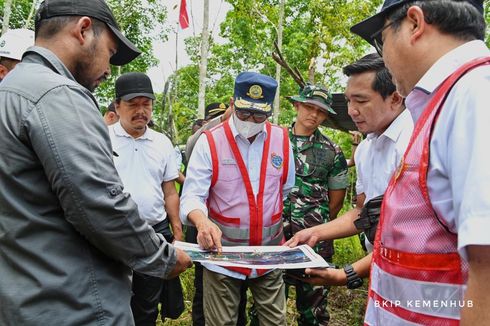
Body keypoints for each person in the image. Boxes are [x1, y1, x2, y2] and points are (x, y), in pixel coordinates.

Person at [0, 1, 191, 324]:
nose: (108, 68)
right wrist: (163, 258)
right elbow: (99, 203)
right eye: (110, 51)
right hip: (78, 305)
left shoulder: (10, 91)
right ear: (84, 29)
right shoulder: (58, 95)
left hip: (25, 299)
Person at [349, 0, 489, 324]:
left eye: (380, 40)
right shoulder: (445, 101)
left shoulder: (475, 95)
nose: (383, 56)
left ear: (414, 23)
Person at [286, 53, 412, 291]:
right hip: (380, 267)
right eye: (348, 101)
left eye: (361, 101)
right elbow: (362, 211)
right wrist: (315, 231)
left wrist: (346, 274)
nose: (352, 111)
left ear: (395, 98)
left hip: (421, 275)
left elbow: (409, 234)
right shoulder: (366, 148)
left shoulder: (414, 143)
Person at [180, 71, 296, 326]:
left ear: (269, 112)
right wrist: (202, 222)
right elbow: (192, 196)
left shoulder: (281, 140)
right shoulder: (209, 142)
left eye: (259, 115)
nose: (250, 120)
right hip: (223, 256)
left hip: (269, 254)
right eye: (243, 113)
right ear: (233, 103)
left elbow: (284, 189)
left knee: (275, 322)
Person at [108, 72, 184, 325]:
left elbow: (169, 190)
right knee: (112, 299)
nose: (141, 111)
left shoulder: (162, 143)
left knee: (148, 302)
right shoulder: (102, 139)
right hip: (113, 235)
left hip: (154, 233)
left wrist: (177, 232)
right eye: (133, 104)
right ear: (117, 106)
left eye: (146, 104)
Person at [283, 84, 349, 325]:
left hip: (314, 244)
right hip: (275, 239)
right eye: (309, 107)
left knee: (314, 311)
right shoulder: (273, 141)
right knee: (266, 307)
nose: (314, 115)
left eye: (320, 111)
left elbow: (337, 199)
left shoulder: (332, 151)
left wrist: (314, 225)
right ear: (296, 105)